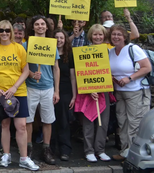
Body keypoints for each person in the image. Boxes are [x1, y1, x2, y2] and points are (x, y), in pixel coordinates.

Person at [0, 21, 39, 171]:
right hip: (0, 93)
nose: (4, 33)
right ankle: (6, 154)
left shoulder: (19, 48)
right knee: (4, 124)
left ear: (11, 32)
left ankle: (24, 158)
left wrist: (15, 87)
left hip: (18, 92)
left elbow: (26, 70)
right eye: (1, 30)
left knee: (21, 126)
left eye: (7, 30)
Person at [108, 25, 151, 161]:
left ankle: (135, 155)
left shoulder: (133, 49)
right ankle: (124, 151)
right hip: (120, 93)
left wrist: (129, 78)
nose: (116, 37)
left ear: (125, 37)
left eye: (119, 34)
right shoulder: (111, 52)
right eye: (113, 34)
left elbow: (147, 67)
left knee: (135, 123)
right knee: (122, 123)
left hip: (136, 91)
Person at [24, 16, 60, 165]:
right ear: (33, 27)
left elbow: (56, 68)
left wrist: (56, 90)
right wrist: (32, 74)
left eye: (42, 24)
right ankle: (28, 148)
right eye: (37, 24)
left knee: (47, 120)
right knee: (28, 120)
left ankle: (46, 148)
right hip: (30, 87)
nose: (40, 26)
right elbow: (22, 67)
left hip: (48, 87)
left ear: (46, 27)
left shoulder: (52, 45)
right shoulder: (26, 45)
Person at [74, 24, 113, 162]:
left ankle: (100, 150)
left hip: (104, 91)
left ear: (104, 36)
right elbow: (81, 73)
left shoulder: (109, 52)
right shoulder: (83, 51)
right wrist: (90, 89)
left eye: (100, 34)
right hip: (88, 92)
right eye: (95, 34)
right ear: (91, 35)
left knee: (103, 122)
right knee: (88, 121)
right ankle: (89, 150)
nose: (98, 37)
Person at [51, 29, 76, 161]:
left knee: (64, 120)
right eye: (56, 38)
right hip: (51, 89)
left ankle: (65, 149)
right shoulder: (47, 53)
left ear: (65, 40)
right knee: (50, 120)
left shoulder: (70, 55)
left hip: (66, 90)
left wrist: (74, 96)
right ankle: (50, 148)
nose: (59, 40)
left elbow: (73, 77)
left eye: (61, 38)